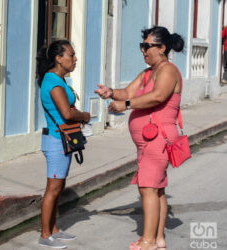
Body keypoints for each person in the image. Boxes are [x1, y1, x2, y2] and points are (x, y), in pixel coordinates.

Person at [95, 26, 184, 250]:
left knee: (147, 188)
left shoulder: (168, 70)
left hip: (159, 138)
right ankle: (159, 238)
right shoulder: (147, 73)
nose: (143, 51)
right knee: (157, 188)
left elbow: (157, 96)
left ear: (162, 48)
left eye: (147, 46)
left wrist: (125, 105)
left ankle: (148, 241)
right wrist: (111, 93)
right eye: (141, 46)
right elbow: (128, 93)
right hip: (147, 141)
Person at [36, 40, 90, 249]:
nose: (75, 59)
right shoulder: (53, 82)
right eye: (71, 55)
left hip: (61, 140)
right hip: (57, 141)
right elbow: (67, 114)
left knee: (59, 188)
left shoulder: (58, 80)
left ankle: (54, 229)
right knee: (53, 189)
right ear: (58, 58)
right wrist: (84, 115)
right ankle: (44, 234)